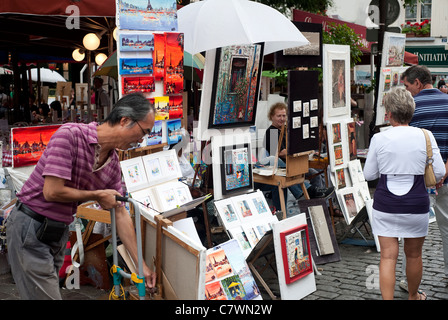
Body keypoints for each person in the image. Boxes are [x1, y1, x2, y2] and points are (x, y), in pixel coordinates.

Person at [6, 93, 157, 299]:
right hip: (30, 225)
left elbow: (119, 212)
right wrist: (97, 195)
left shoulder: (112, 163)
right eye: (144, 132)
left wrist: (141, 265)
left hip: (57, 231)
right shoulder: (71, 135)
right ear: (125, 120)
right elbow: (51, 191)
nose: (141, 140)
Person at [363, 88, 446, 300]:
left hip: (385, 204)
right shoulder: (425, 136)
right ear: (412, 111)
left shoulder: (380, 139)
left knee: (388, 257)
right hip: (416, 203)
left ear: (388, 113)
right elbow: (439, 173)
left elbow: (369, 173)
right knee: (414, 254)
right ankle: (413, 296)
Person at [401, 65, 448, 280]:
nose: (407, 90)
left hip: (415, 180)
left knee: (410, 231)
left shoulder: (411, 107)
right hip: (446, 179)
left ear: (418, 83)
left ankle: (406, 279)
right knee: (447, 228)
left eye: (407, 86)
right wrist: (444, 170)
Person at [258, 102, 333, 210]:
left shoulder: (286, 130)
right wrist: (294, 150)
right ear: (272, 117)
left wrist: (308, 152)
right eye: (278, 116)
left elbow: (297, 146)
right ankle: (308, 195)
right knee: (294, 174)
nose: (282, 118)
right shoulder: (272, 132)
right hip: (280, 166)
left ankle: (321, 206)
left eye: (284, 116)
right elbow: (277, 153)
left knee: (315, 174)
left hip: (293, 163)